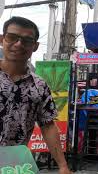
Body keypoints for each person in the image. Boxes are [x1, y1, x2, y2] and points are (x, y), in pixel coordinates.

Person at [0, 16, 71, 173]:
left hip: (15, 165)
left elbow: (48, 125)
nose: (18, 44)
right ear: (2, 39)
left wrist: (63, 166)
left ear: (35, 46)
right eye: (12, 37)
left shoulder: (39, 86)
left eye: (26, 40)